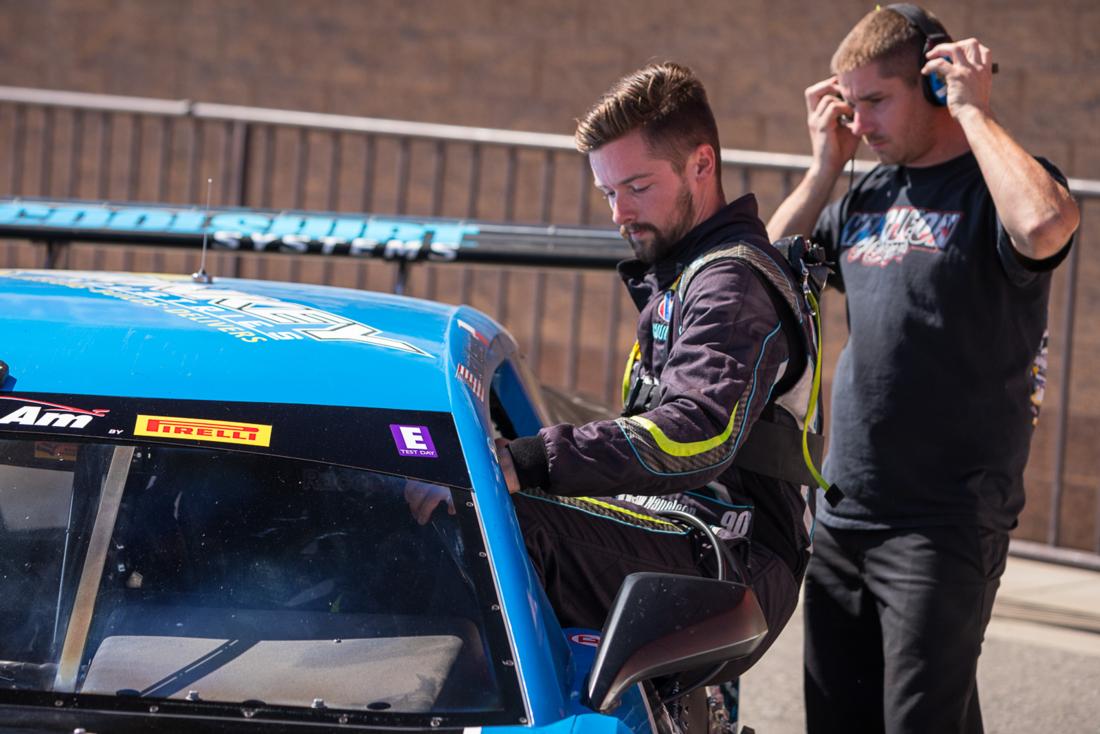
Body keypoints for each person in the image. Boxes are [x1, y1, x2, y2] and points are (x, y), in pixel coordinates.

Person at [765, 5, 1080, 733]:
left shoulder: (995, 188)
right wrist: (824, 167)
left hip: (944, 521)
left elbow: (1044, 227)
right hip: (844, 510)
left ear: (935, 85)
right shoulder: (866, 193)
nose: (861, 121)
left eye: (877, 100)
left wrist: (974, 112)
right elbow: (762, 273)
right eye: (850, 103)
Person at [491, 61, 823, 681]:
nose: (620, 213)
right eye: (608, 193)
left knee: (493, 527)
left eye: (637, 187)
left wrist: (533, 459)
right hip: (687, 532)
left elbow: (698, 430)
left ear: (702, 164)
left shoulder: (731, 284)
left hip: (737, 561)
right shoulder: (686, 275)